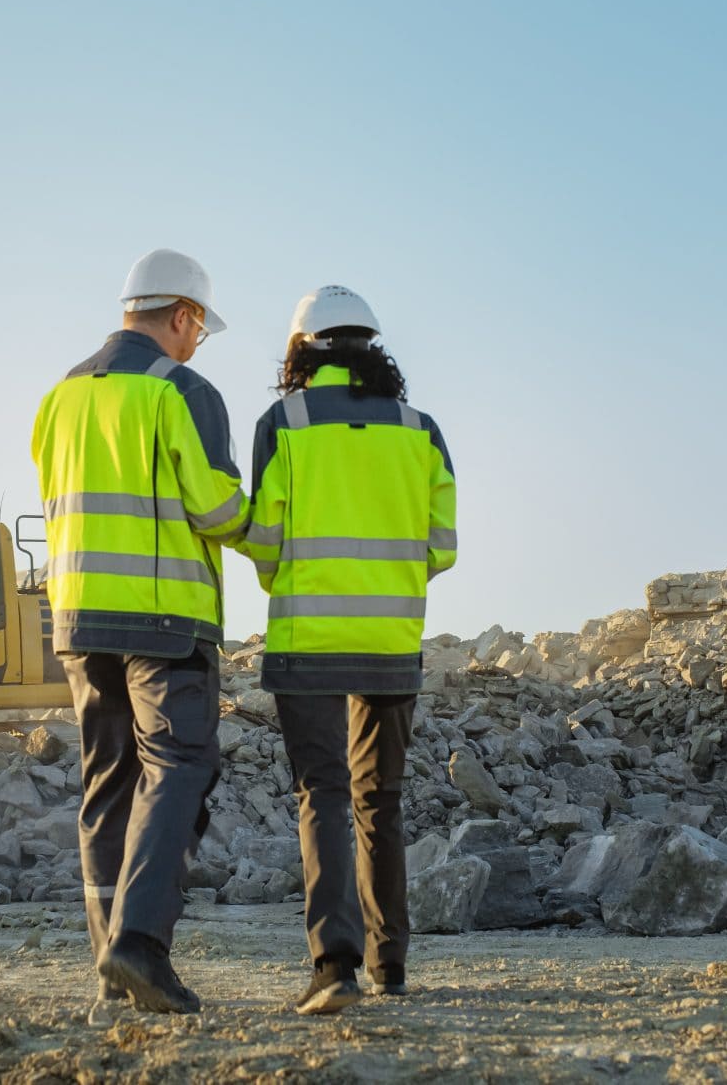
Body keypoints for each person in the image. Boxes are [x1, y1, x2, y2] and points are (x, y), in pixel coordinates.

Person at [30, 247, 248, 1015]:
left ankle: (110, 969)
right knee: (180, 766)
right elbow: (217, 508)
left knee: (108, 784)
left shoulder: (60, 396)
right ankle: (140, 945)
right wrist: (277, 530)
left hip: (79, 620)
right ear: (182, 315)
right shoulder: (182, 390)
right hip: (164, 618)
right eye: (200, 329)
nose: (198, 344)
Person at [238, 285, 457, 1015]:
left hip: (308, 640)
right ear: (374, 349)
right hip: (390, 642)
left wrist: (289, 581)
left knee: (324, 794)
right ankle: (390, 965)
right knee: (380, 800)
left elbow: (264, 538)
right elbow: (442, 547)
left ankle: (334, 966)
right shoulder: (420, 429)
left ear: (300, 352)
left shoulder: (285, 422)